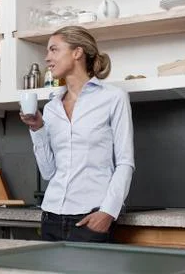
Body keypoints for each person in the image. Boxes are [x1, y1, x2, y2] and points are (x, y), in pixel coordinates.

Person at [20, 26, 135, 242]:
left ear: (77, 53)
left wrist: (108, 213)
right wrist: (37, 128)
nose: (47, 58)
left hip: (91, 218)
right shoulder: (52, 107)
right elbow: (48, 171)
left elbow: (125, 162)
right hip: (51, 217)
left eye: (54, 50)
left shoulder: (113, 98)